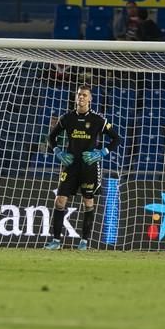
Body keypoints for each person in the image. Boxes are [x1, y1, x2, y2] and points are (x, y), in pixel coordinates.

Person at [45, 85, 121, 251]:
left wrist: (102, 152)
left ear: (90, 99)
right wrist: (58, 151)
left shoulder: (97, 120)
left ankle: (84, 241)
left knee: (88, 202)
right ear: (76, 97)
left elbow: (116, 138)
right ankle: (56, 241)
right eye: (79, 94)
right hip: (70, 165)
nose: (81, 97)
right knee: (60, 201)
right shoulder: (67, 118)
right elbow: (51, 137)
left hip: (89, 167)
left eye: (84, 95)